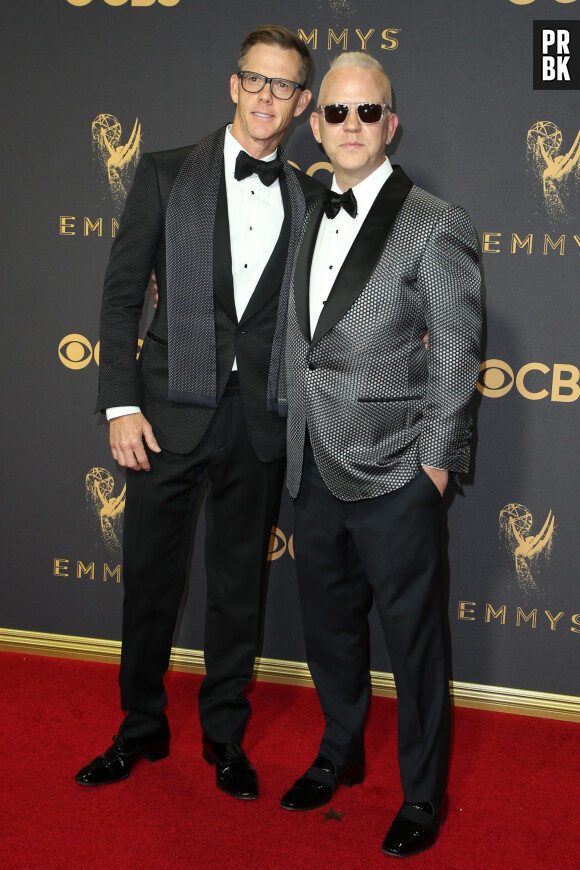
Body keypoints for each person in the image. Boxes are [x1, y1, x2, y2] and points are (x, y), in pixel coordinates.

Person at [75, 25, 322, 800]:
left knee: (238, 588)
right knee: (148, 580)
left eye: (282, 86)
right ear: (232, 84)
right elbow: (121, 300)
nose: (264, 97)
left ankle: (225, 737)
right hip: (163, 415)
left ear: (303, 103)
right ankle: (139, 728)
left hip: (259, 420)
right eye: (255, 79)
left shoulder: (310, 197)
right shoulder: (163, 173)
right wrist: (119, 403)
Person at [280, 52, 482, 858]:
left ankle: (424, 797)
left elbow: (458, 359)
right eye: (336, 112)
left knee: (414, 643)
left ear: (390, 124)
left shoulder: (435, 220)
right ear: (316, 121)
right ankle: (339, 755)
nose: (352, 126)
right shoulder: (304, 206)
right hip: (310, 464)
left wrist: (432, 468)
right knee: (330, 633)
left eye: (368, 113)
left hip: (398, 470)